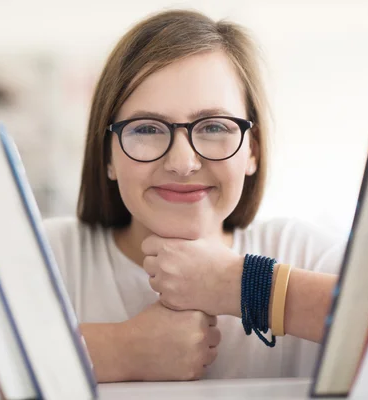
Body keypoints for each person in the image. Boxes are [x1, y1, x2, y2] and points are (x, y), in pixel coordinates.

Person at [44, 9, 344, 382]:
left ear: (253, 150)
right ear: (108, 156)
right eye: (147, 128)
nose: (182, 162)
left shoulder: (306, 255)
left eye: (214, 126)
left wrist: (245, 285)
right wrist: (120, 349)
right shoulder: (43, 258)